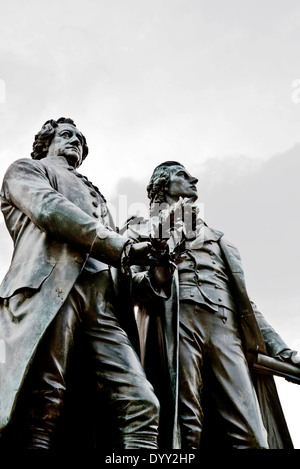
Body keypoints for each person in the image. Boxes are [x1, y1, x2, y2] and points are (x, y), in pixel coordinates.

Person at [0, 118, 160, 450]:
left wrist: (159, 271)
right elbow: (50, 210)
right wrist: (121, 247)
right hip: (47, 292)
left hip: (104, 306)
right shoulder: (26, 170)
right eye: (67, 135)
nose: (76, 141)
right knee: (42, 404)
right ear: (47, 142)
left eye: (81, 139)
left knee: (143, 404)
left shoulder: (98, 197)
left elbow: (123, 272)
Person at [124, 160, 300, 450]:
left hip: (225, 328)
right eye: (182, 174)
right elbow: (128, 285)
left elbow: (246, 306)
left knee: (252, 435)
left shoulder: (219, 240)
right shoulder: (139, 229)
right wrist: (159, 275)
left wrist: (282, 350)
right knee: (186, 428)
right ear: (163, 185)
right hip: (176, 323)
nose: (194, 179)